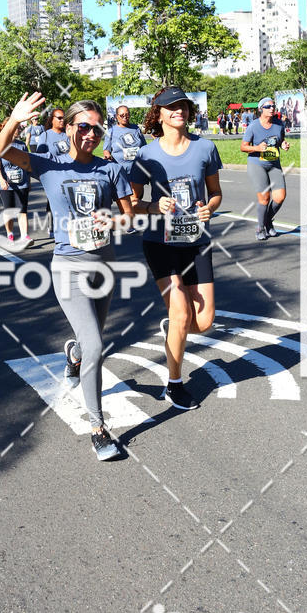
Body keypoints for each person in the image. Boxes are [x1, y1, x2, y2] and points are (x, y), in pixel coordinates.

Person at [0, 94, 133, 461]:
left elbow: (130, 217)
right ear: (68, 127)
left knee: (89, 342)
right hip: (68, 267)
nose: (90, 134)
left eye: (96, 128)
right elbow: (3, 148)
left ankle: (72, 355)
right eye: (83, 126)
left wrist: (115, 221)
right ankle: (99, 428)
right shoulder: (48, 166)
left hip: (104, 265)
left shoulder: (110, 169)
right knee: (98, 347)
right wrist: (15, 118)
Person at [130, 86, 222, 412]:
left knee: (205, 321)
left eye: (182, 105)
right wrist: (154, 207)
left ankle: (174, 325)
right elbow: (131, 205)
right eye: (171, 107)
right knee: (182, 311)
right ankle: (174, 383)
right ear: (159, 114)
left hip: (197, 242)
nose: (178, 110)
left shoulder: (205, 148)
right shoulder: (146, 155)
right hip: (160, 244)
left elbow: (215, 193)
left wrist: (210, 207)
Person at [240, 96, 290, 241]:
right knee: (265, 198)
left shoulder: (278, 124)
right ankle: (260, 227)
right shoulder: (254, 126)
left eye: (273, 106)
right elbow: (243, 147)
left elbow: (280, 141)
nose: (272, 108)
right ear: (261, 109)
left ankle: (267, 221)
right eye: (268, 106)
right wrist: (257, 147)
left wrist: (284, 145)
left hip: (274, 163)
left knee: (280, 197)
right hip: (257, 164)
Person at [0, 118, 34, 247]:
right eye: (17, 127)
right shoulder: (0, 144)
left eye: (20, 127)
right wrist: (1, 180)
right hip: (5, 185)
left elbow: (27, 165)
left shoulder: (21, 145)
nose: (19, 129)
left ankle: (24, 236)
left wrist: (29, 181)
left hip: (22, 183)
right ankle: (10, 235)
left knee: (22, 210)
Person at [36, 108, 69, 238]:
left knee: (69, 200)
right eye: (59, 118)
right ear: (52, 119)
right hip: (53, 174)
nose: (62, 120)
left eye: (63, 118)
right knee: (53, 200)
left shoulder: (68, 133)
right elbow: (40, 155)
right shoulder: (46, 135)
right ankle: (52, 226)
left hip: (70, 172)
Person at [103, 105, 147, 179]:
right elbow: (106, 150)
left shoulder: (136, 128)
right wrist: (108, 157)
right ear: (117, 116)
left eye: (127, 114)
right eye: (122, 115)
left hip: (138, 169)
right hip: (120, 171)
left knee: (137, 191)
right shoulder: (111, 131)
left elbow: (144, 146)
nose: (125, 117)